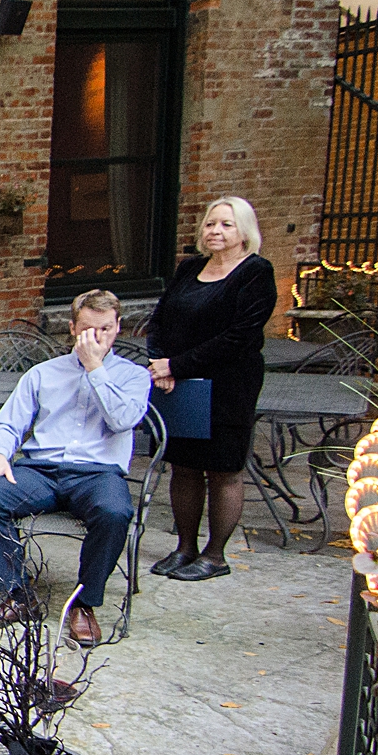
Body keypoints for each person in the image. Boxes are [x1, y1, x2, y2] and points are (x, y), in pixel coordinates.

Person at [0, 289, 153, 647]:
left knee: (115, 512)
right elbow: (8, 423)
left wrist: (96, 369)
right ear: (71, 328)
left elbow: (123, 420)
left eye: (106, 329)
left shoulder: (133, 376)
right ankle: (16, 595)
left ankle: (84, 604)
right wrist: (0, 455)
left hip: (98, 472)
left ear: (118, 328)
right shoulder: (43, 374)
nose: (96, 337)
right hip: (42, 469)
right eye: (87, 329)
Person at [144, 196, 277, 581]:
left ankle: (215, 555)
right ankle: (184, 547)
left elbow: (238, 337)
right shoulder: (190, 270)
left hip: (228, 385)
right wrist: (161, 364)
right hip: (177, 383)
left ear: (244, 232)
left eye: (226, 225)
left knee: (222, 469)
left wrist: (177, 364)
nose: (215, 231)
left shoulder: (256, 273)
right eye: (210, 224)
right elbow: (159, 320)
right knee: (182, 466)